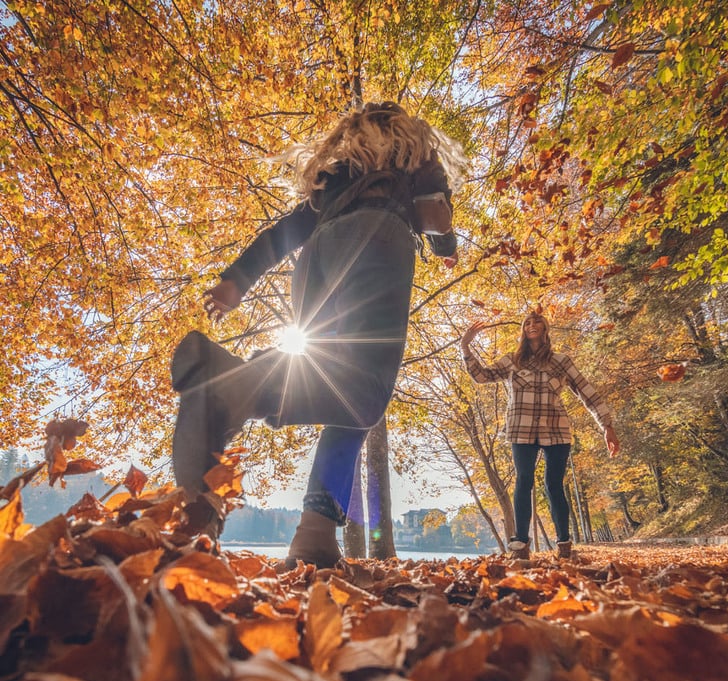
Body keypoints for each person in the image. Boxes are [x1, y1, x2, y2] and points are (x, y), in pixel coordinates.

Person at [171, 101, 466, 567]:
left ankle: (315, 537)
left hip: (316, 259)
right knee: (365, 392)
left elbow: (289, 229)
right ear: (406, 131)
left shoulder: (338, 174)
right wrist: (446, 244)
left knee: (339, 394)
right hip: (381, 244)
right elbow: (435, 213)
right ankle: (234, 388)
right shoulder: (415, 158)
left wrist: (238, 279)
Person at [460, 311, 620, 559]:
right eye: (527, 322)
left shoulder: (561, 361)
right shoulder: (512, 360)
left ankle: (564, 544)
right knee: (524, 480)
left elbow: (588, 392)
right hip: (520, 429)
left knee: (554, 485)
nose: (531, 325)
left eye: (536, 322)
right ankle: (520, 544)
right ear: (523, 330)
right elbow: (481, 376)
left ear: (545, 329)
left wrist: (606, 426)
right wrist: (465, 346)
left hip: (556, 428)